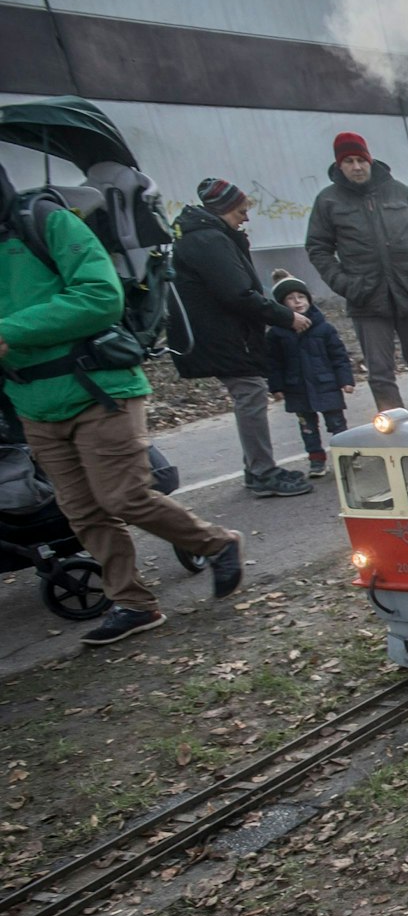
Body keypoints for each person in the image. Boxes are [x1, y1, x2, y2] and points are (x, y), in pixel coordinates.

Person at [0, 165, 243, 644]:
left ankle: (218, 542)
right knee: (83, 513)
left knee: (122, 497)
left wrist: (9, 331)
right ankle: (133, 604)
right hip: (33, 404)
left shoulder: (45, 219)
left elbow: (99, 297)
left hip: (97, 387)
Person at [169, 177, 312, 497]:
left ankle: (257, 467)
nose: (245, 217)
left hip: (220, 334)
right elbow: (238, 293)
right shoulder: (209, 240)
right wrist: (286, 316)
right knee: (250, 393)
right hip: (224, 335)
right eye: (240, 211)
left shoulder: (207, 236)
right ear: (222, 210)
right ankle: (261, 472)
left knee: (249, 393)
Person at [305, 132, 408, 410]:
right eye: (349, 162)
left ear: (369, 160)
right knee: (380, 374)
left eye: (361, 160)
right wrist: (347, 285)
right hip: (367, 300)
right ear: (340, 165)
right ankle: (396, 432)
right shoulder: (328, 200)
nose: (357, 167)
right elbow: (317, 248)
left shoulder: (400, 191)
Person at [264, 270, 355, 479]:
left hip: (327, 386)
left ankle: (347, 458)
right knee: (307, 428)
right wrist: (276, 386)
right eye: (290, 299)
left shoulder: (324, 329)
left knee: (338, 425)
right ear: (281, 304)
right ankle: (316, 461)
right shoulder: (277, 334)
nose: (297, 302)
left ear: (308, 299)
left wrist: (345, 380)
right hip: (297, 389)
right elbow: (274, 363)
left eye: (301, 297)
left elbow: (339, 356)